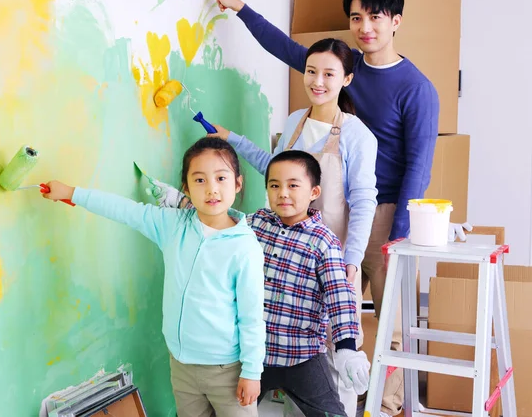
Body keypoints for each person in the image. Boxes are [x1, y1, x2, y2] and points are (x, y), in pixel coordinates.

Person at [212, 0, 440, 416]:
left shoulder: (416, 88)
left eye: (375, 17)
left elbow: (419, 166)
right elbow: (284, 48)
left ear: (396, 22)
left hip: (381, 214)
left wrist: (396, 237)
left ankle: (387, 404)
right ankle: (336, 403)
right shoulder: (336, 68)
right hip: (322, 220)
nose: (365, 26)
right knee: (335, 321)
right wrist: (239, 6)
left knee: (391, 323)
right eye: (357, 17)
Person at [208, 37, 378, 417]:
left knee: (338, 361)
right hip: (287, 256)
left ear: (346, 79)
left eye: (329, 74)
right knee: (284, 350)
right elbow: (276, 168)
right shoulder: (294, 121)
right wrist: (230, 139)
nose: (317, 81)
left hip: (330, 256)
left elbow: (365, 202)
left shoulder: (357, 135)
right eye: (311, 71)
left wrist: (351, 262)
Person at [41, 137, 266, 417]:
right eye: (199, 180)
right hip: (182, 365)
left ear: (238, 184)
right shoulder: (171, 226)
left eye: (221, 178)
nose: (212, 189)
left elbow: (251, 317)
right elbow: (125, 210)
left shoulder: (245, 247)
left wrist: (252, 372)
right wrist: (72, 193)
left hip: (227, 371)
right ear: (185, 187)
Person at [151, 149, 371, 416]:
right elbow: (219, 217)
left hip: (301, 357)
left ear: (314, 192)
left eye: (293, 185)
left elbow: (340, 296)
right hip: (254, 359)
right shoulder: (254, 224)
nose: (283, 193)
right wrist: (178, 201)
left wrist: (347, 347)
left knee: (331, 413)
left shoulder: (323, 242)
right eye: (274, 185)